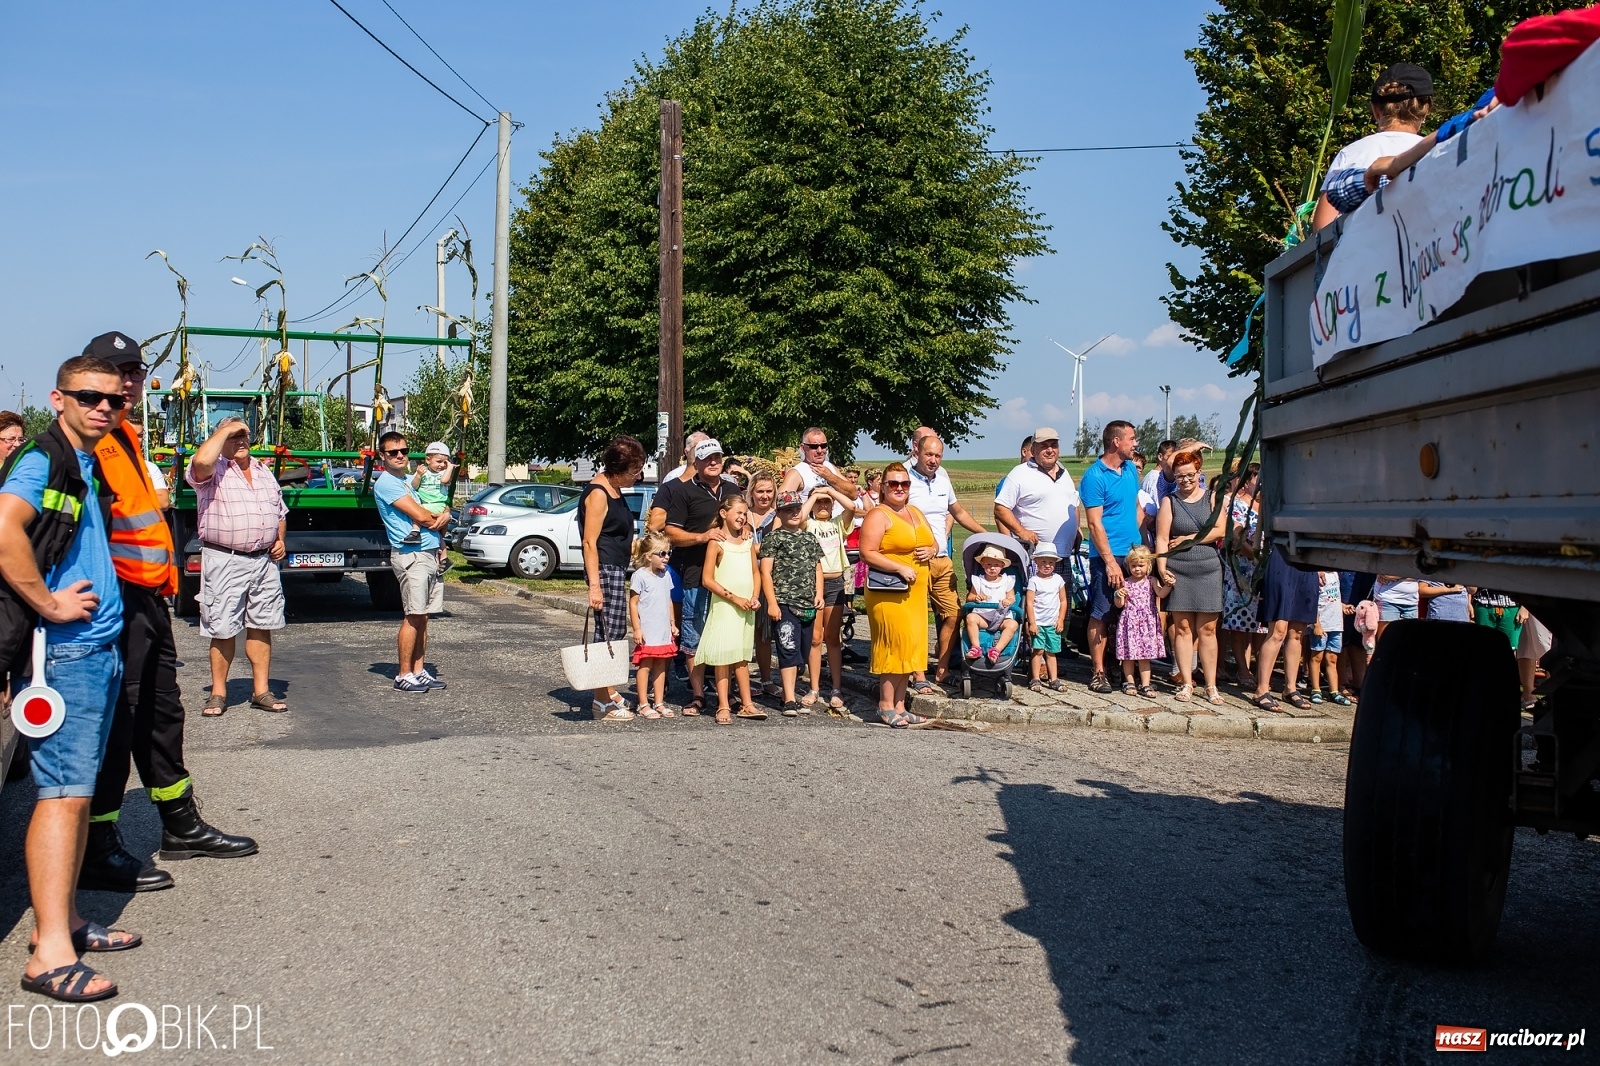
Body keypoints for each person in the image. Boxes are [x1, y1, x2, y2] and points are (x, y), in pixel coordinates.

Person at [84, 332, 255, 895]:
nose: (127, 382)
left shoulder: (126, 436)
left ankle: (180, 824)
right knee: (120, 722)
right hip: (112, 606)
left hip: (147, 602)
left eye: (134, 371)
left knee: (162, 713)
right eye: (115, 372)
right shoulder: (82, 444)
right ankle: (97, 845)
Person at [0, 354, 135, 1003]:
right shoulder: (41, 460)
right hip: (65, 656)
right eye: (90, 397)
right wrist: (50, 604)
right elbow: (4, 529)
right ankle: (49, 952)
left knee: (76, 796)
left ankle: (69, 921)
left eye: (115, 400)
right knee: (62, 796)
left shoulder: (83, 460)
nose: (105, 408)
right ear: (59, 398)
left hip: (92, 653)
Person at [186, 416, 288, 715]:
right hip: (225, 558)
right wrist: (225, 430)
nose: (240, 440)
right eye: (233, 435)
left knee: (262, 625)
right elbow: (201, 461)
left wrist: (280, 539)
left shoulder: (263, 470)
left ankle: (261, 691)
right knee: (222, 626)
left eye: (244, 434)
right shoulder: (211, 470)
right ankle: (218, 693)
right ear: (220, 438)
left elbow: (279, 512)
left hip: (263, 561)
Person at [372, 431, 453, 694]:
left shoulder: (410, 479)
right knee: (413, 615)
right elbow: (422, 515)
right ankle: (403, 674)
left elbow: (442, 500)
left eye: (403, 451)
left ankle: (419, 670)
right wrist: (439, 518)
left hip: (429, 552)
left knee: (424, 617)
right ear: (382, 456)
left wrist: (447, 512)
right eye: (392, 452)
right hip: (412, 555)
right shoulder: (387, 484)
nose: (399, 456)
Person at [858, 462, 936, 727]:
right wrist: (900, 567)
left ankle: (901, 706)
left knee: (910, 646)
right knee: (893, 644)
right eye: (893, 483)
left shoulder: (914, 511)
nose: (900, 488)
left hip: (914, 592)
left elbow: (932, 540)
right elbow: (867, 552)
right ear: (883, 486)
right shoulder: (878, 515)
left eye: (904, 484)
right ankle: (885, 705)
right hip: (888, 590)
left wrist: (932, 550)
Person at [664, 438, 738, 715]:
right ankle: (697, 695)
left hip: (730, 574)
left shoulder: (732, 489)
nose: (714, 462)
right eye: (707, 459)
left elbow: (743, 521)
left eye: (717, 457)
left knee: (725, 635)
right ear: (696, 463)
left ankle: (725, 694)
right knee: (694, 635)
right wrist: (702, 536)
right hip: (694, 573)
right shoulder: (684, 492)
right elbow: (671, 533)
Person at [906, 433, 986, 688]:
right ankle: (918, 674)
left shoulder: (943, 478)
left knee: (953, 613)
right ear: (916, 451)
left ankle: (941, 669)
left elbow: (958, 511)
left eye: (938, 455)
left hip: (941, 560)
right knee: (918, 617)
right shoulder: (904, 478)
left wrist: (986, 534)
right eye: (929, 454)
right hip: (915, 559)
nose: (933, 460)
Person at [1312, 62, 1432, 231]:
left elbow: (1322, 228)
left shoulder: (1352, 153)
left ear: (1376, 110)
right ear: (1425, 110)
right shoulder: (1437, 150)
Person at [577, 435, 647, 720]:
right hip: (603, 569)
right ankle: (600, 701)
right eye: (633, 471)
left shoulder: (613, 488)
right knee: (608, 632)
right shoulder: (598, 493)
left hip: (616, 567)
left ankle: (607, 691)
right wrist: (595, 586)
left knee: (614, 632)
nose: (637, 476)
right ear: (617, 470)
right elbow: (589, 543)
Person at [1155, 449, 1228, 706]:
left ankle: (1211, 685)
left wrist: (1189, 538)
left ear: (1199, 473)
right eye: (1179, 476)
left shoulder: (1212, 497)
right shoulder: (1170, 501)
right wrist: (1162, 568)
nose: (1185, 481)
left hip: (1208, 568)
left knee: (1207, 629)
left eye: (1189, 475)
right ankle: (1187, 682)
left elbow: (1220, 529)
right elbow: (1162, 538)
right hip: (1179, 570)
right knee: (1183, 628)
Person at [1080, 421, 1143, 693]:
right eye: (1131, 438)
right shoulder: (1094, 476)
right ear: (1116, 442)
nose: (1135, 443)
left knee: (1130, 613)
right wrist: (1108, 562)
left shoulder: (1130, 469)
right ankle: (1098, 671)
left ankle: (1123, 666)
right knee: (1102, 612)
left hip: (1133, 555)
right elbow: (1094, 524)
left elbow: (1136, 505)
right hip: (1108, 556)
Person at [699, 495, 763, 724]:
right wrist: (734, 598)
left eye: (745, 514)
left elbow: (755, 573)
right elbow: (707, 579)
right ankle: (723, 705)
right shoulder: (716, 542)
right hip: (726, 606)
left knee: (742, 657)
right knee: (723, 656)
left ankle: (747, 703)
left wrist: (755, 596)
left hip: (747, 607)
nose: (742, 517)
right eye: (738, 513)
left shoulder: (747, 542)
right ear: (724, 513)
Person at [760, 490, 824, 718]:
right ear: (779, 513)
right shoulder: (773, 538)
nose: (795, 513)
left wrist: (819, 593)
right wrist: (772, 603)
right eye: (789, 510)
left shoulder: (809, 538)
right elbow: (766, 572)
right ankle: (788, 699)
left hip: (808, 603)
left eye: (797, 508)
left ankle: (794, 686)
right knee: (787, 649)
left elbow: (817, 567)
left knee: (803, 652)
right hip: (784, 602)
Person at [804, 488, 857, 714]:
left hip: (834, 583)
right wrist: (814, 496)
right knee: (815, 638)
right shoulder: (808, 524)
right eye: (819, 503)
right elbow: (799, 517)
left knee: (832, 638)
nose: (823, 506)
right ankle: (814, 688)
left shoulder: (837, 524)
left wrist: (830, 492)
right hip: (812, 584)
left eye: (827, 503)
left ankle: (836, 688)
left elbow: (852, 507)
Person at [1251, 546, 1320, 712]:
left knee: (1297, 632)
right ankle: (1261, 690)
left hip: (1308, 559)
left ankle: (1290, 688)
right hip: (1281, 555)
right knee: (1278, 629)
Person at [994, 428, 1079, 562]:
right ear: (1033, 451)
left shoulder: (1064, 473)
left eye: (1054, 445)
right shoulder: (1019, 473)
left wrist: (1076, 530)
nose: (1050, 450)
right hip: (1034, 556)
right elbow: (1000, 509)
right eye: (1044, 446)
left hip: (1063, 556)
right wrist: (1022, 532)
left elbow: (1074, 505)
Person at [1220, 463, 1265, 687]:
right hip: (1242, 570)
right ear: (1247, 482)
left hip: (1265, 571)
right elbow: (1235, 537)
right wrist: (1256, 556)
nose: (1260, 484)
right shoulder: (1236, 505)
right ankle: (1242, 669)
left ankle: (1261, 669)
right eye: (1257, 479)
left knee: (1261, 624)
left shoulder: (1268, 505)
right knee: (1240, 622)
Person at [628, 531, 677, 719]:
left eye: (668, 553)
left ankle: (659, 702)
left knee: (661, 667)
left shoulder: (666, 575)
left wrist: (672, 623)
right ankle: (643, 703)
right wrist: (637, 628)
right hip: (648, 630)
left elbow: (669, 601)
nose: (666, 557)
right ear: (649, 556)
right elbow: (633, 603)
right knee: (645, 665)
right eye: (662, 553)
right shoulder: (640, 576)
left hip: (663, 629)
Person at [1114, 546, 1170, 700]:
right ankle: (1130, 682)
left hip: (1147, 622)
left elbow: (1161, 593)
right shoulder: (1124, 583)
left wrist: (1168, 584)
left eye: (1141, 565)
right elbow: (1119, 605)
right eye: (1133, 566)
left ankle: (1146, 683)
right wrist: (1118, 595)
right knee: (1128, 655)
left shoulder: (1151, 581)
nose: (1137, 569)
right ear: (1128, 566)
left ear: (1148, 566)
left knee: (1145, 656)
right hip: (1130, 623)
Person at [964, 545, 1020, 664]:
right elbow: (969, 598)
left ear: (1002, 566)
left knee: (1013, 624)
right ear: (983, 565)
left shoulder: (1007, 581)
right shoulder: (979, 581)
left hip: (1001, 617)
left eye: (996, 565)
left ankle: (996, 650)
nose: (992, 568)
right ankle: (976, 647)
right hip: (983, 617)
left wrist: (1008, 601)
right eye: (988, 565)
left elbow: (1012, 597)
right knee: (970, 618)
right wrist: (976, 597)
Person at [1025, 544, 1069, 692]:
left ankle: (1054, 679)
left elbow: (1063, 601)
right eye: (1043, 562)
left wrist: (1061, 619)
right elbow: (1029, 603)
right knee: (1037, 651)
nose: (1047, 565)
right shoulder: (1034, 581)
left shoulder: (1058, 580)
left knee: (1052, 652)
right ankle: (1035, 678)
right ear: (1036, 562)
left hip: (1053, 623)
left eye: (1050, 562)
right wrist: (1032, 622)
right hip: (1039, 623)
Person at [402, 442, 456, 558]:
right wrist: (418, 476)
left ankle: (415, 532)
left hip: (438, 503)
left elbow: (444, 481)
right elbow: (415, 486)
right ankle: (442, 553)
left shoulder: (444, 472)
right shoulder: (423, 472)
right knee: (421, 514)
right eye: (439, 461)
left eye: (444, 462)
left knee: (420, 512)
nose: (441, 465)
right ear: (428, 460)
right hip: (426, 502)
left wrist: (450, 467)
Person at [1307, 571, 1352, 706]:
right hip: (1322, 624)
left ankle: (1334, 691)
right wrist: (1316, 624)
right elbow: (1312, 600)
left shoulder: (1335, 574)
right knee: (1317, 657)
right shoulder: (1317, 576)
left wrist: (1343, 606)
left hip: (1336, 624)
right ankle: (1316, 689)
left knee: (1332, 659)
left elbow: (1334, 597)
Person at [779, 427, 857, 505]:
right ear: (803, 448)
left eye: (823, 446)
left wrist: (831, 477)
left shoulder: (830, 467)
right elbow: (781, 502)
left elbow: (854, 494)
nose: (820, 451)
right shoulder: (797, 473)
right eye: (814, 446)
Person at [992, 434, 1035, 540]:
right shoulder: (1009, 481)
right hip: (1020, 541)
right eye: (1033, 452)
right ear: (1024, 452)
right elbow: (1000, 514)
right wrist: (1010, 544)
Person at [1516, 611, 1553, 712]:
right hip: (1534, 602)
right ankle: (1528, 695)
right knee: (1527, 647)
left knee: (1546, 648)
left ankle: (1552, 696)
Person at [1372, 574, 1420, 645]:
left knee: (1409, 642)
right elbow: (1385, 574)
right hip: (1387, 600)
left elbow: (1421, 572)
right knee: (1386, 642)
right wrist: (1411, 575)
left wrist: (1396, 576)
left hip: (1412, 602)